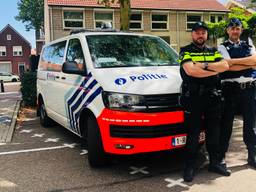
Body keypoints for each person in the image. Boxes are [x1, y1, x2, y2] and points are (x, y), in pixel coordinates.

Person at [179, 21, 231, 182]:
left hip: (212, 98)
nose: (200, 35)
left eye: (203, 32)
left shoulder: (213, 51)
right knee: (193, 134)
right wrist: (212, 70)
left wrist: (203, 66)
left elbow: (225, 66)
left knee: (214, 133)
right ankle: (190, 166)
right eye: (197, 32)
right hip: (194, 99)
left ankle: (214, 163)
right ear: (192, 34)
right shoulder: (185, 51)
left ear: (206, 35)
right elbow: (190, 71)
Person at [218, 18, 256, 169]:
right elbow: (226, 66)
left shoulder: (249, 43)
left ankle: (252, 156)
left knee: (250, 125)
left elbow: (255, 61)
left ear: (241, 30)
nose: (235, 31)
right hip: (230, 91)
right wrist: (247, 63)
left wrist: (234, 62)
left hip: (249, 89)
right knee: (226, 125)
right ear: (227, 30)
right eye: (232, 28)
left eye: (237, 28)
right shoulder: (222, 46)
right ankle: (221, 158)